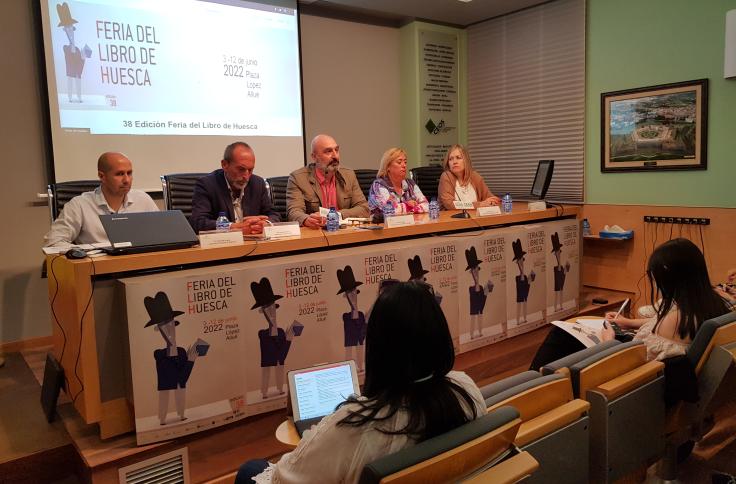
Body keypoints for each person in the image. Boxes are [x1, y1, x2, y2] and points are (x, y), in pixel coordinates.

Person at [235, 281, 486, 483]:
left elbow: (284, 477)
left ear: (378, 348)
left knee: (251, 469)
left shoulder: (355, 426)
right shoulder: (466, 390)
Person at [530, 238, 733, 370]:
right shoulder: (713, 301)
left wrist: (607, 342)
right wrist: (629, 323)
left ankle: (539, 384)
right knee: (572, 332)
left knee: (562, 336)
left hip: (634, 382)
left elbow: (637, 369)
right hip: (646, 362)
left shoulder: (675, 320)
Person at [44, 152, 158, 247]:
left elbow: (163, 235)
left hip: (139, 265)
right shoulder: (79, 205)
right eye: (119, 174)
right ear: (102, 176)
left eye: (129, 173)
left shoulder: (143, 200)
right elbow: (53, 242)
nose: (127, 180)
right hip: (98, 269)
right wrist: (86, 252)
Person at [190, 142, 278, 234]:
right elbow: (198, 222)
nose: (246, 177)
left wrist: (265, 224)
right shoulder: (207, 184)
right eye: (241, 169)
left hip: (254, 242)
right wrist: (232, 227)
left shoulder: (258, 183)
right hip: (223, 245)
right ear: (224, 165)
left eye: (250, 170)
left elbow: (273, 214)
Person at [286, 134, 369, 228]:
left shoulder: (348, 175)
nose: (335, 156)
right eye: (328, 151)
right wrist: (306, 219)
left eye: (336, 150)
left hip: (343, 232)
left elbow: (364, 208)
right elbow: (293, 212)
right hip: (316, 234)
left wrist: (338, 215)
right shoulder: (298, 178)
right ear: (314, 156)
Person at [368, 148, 429, 221]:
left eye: (405, 162)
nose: (404, 165)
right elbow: (388, 211)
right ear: (388, 167)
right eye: (399, 162)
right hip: (384, 228)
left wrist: (408, 209)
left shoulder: (410, 183)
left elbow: (427, 205)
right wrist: (408, 206)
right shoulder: (379, 185)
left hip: (410, 225)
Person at [437, 144, 500, 210]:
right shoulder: (446, 176)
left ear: (466, 160)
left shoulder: (474, 176)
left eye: (458, 158)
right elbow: (449, 204)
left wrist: (491, 202)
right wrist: (480, 204)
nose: (454, 162)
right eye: (450, 159)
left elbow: (490, 198)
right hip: (451, 219)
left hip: (475, 218)